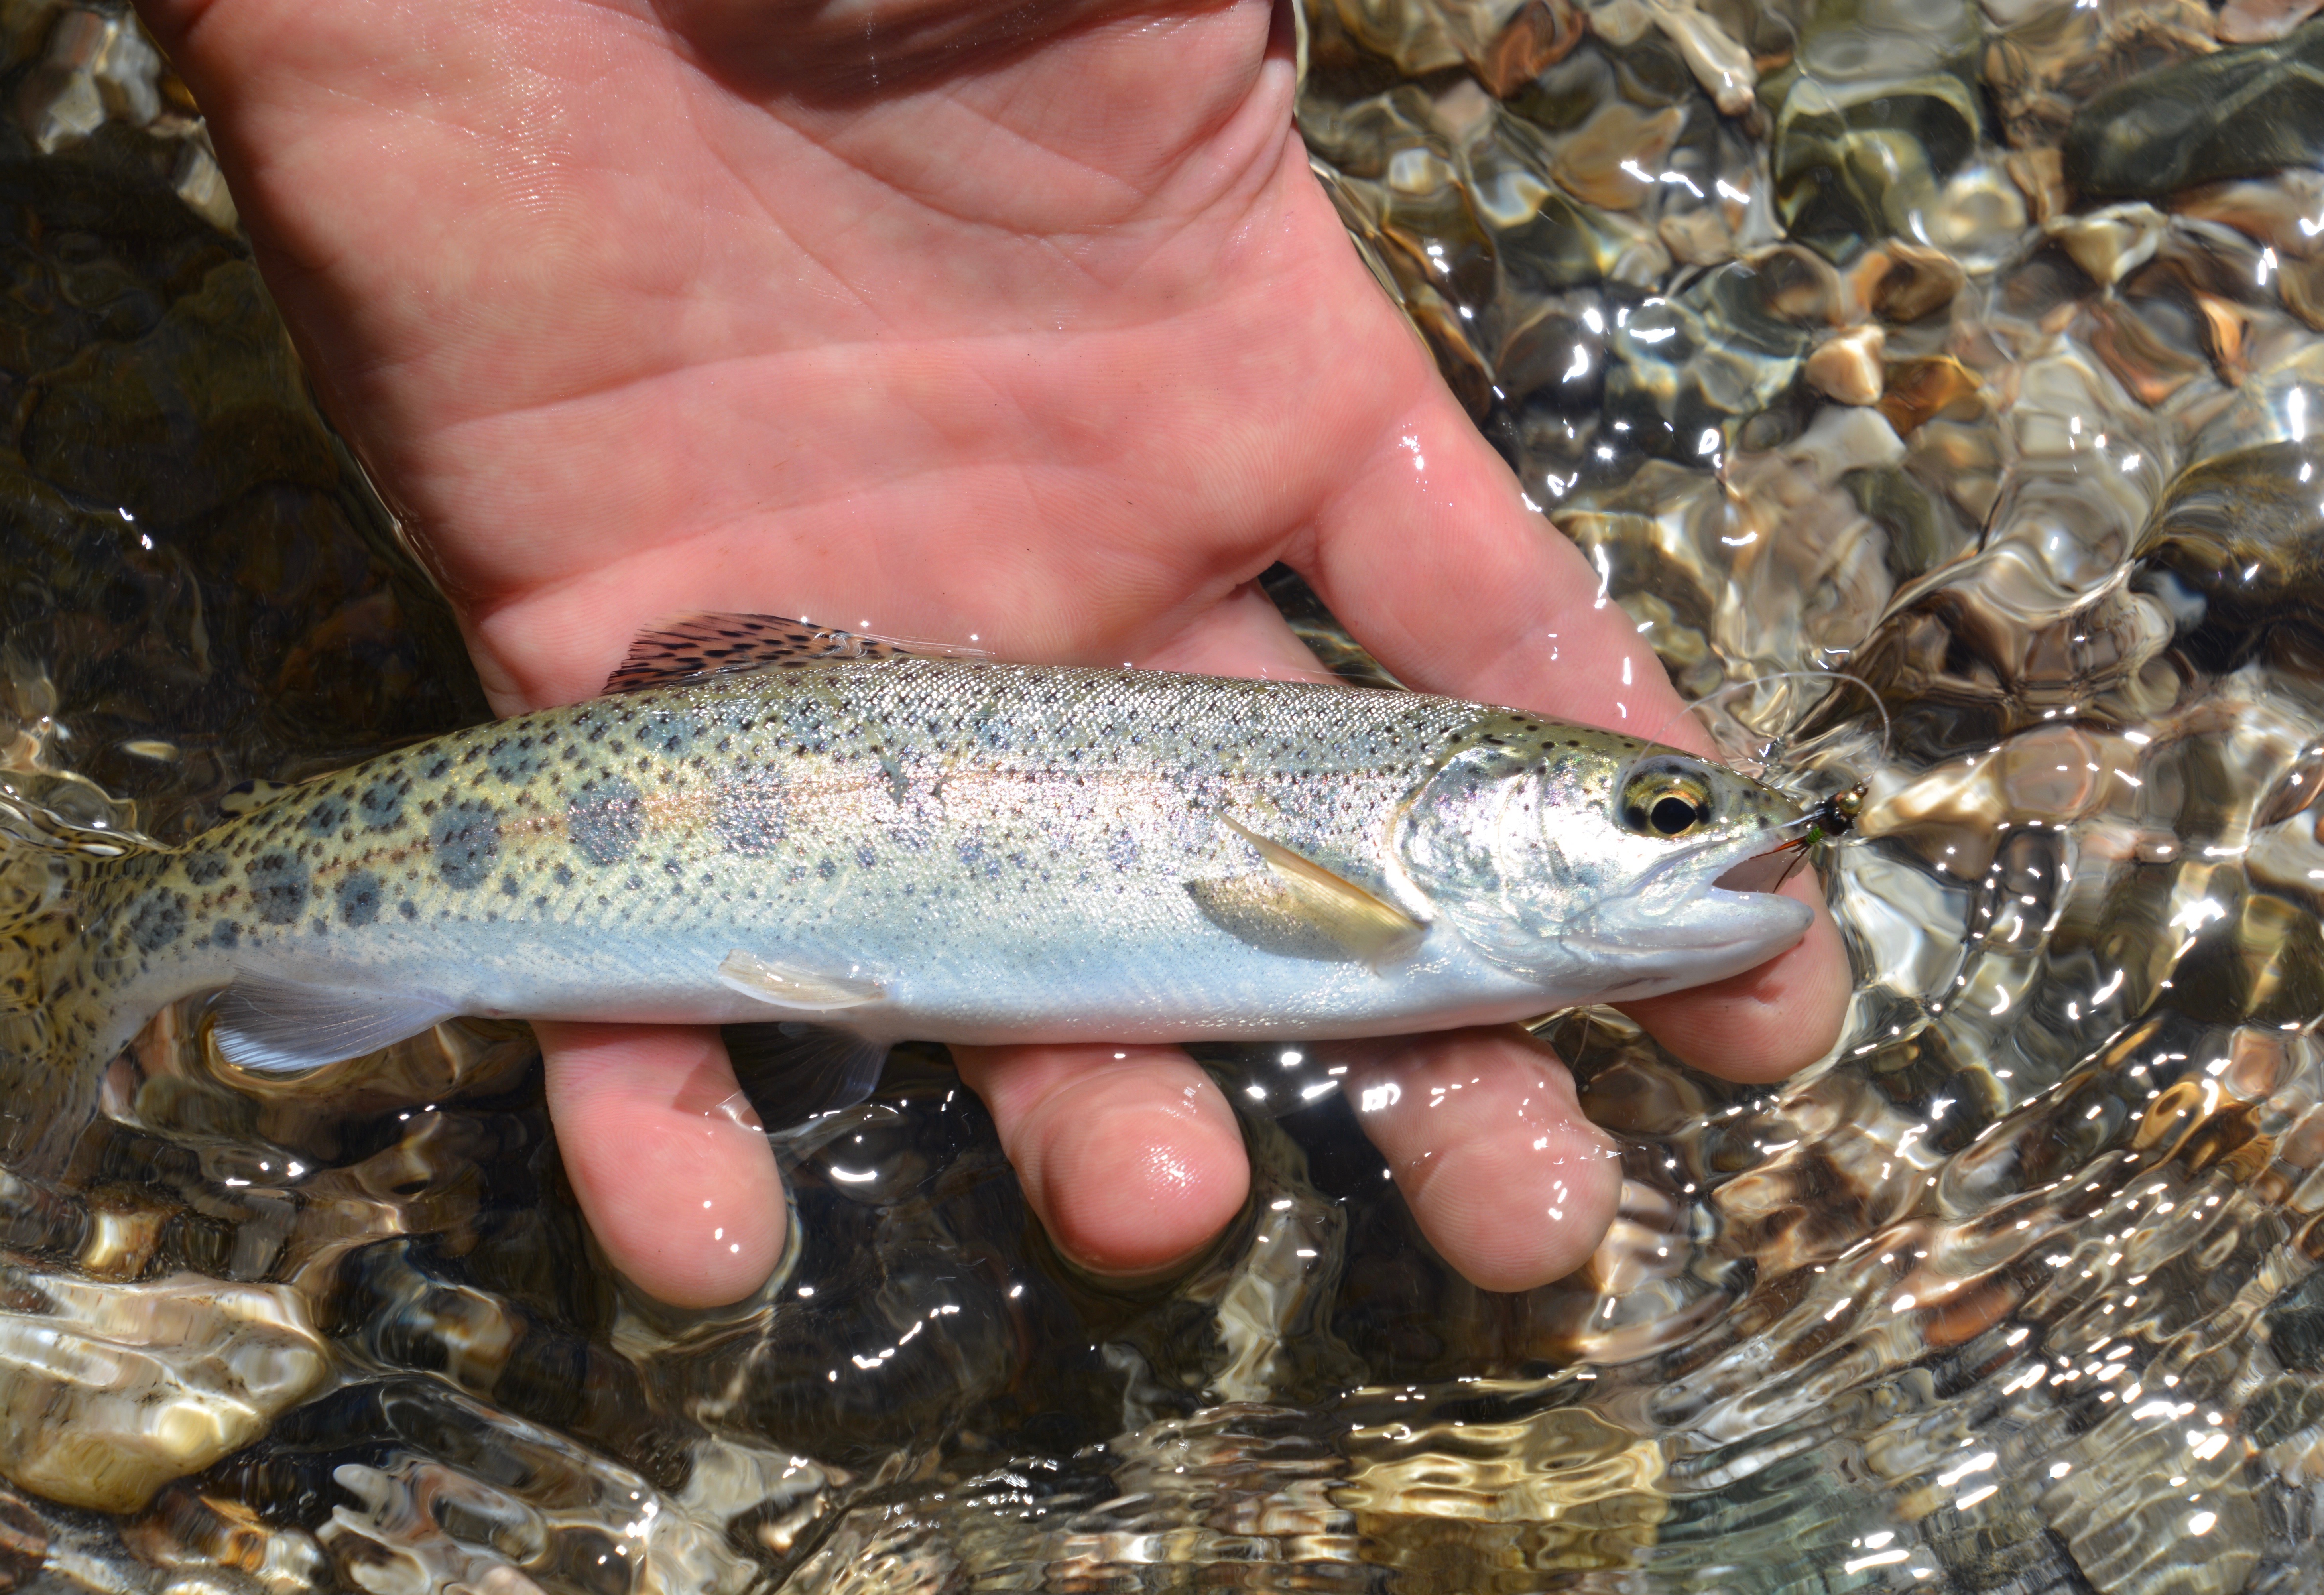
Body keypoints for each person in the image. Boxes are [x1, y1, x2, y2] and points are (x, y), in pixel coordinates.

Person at [131, 0, 1849, 1307]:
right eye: (1661, 809)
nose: (1712, 836)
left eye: (1666, 812)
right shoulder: (1392, 910)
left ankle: (125, 938)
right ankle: (112, 947)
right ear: (1472, 805)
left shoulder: (1421, 905)